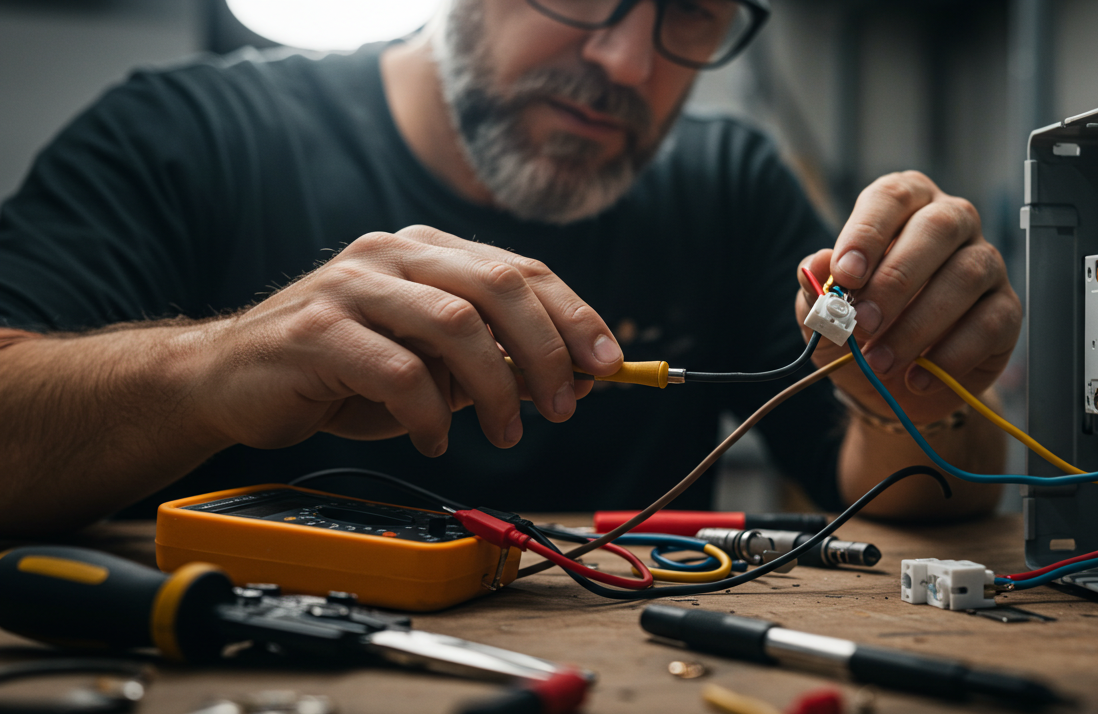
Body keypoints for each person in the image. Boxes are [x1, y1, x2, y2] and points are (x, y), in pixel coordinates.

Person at [0, 0, 1020, 536]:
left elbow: (912, 497)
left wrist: (926, 393)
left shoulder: (731, 187)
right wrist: (211, 372)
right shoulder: (181, 138)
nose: (627, 61)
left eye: (690, 11)